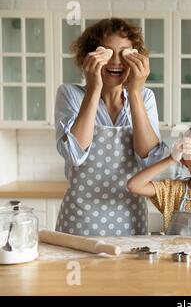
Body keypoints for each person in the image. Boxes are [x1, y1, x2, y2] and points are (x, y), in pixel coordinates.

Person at [54, 18, 165, 236]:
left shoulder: (145, 97)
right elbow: (74, 155)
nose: (116, 61)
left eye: (124, 53)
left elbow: (151, 160)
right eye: (106, 52)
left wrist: (134, 92)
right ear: (89, 56)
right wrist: (94, 88)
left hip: (130, 218)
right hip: (79, 221)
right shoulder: (70, 94)